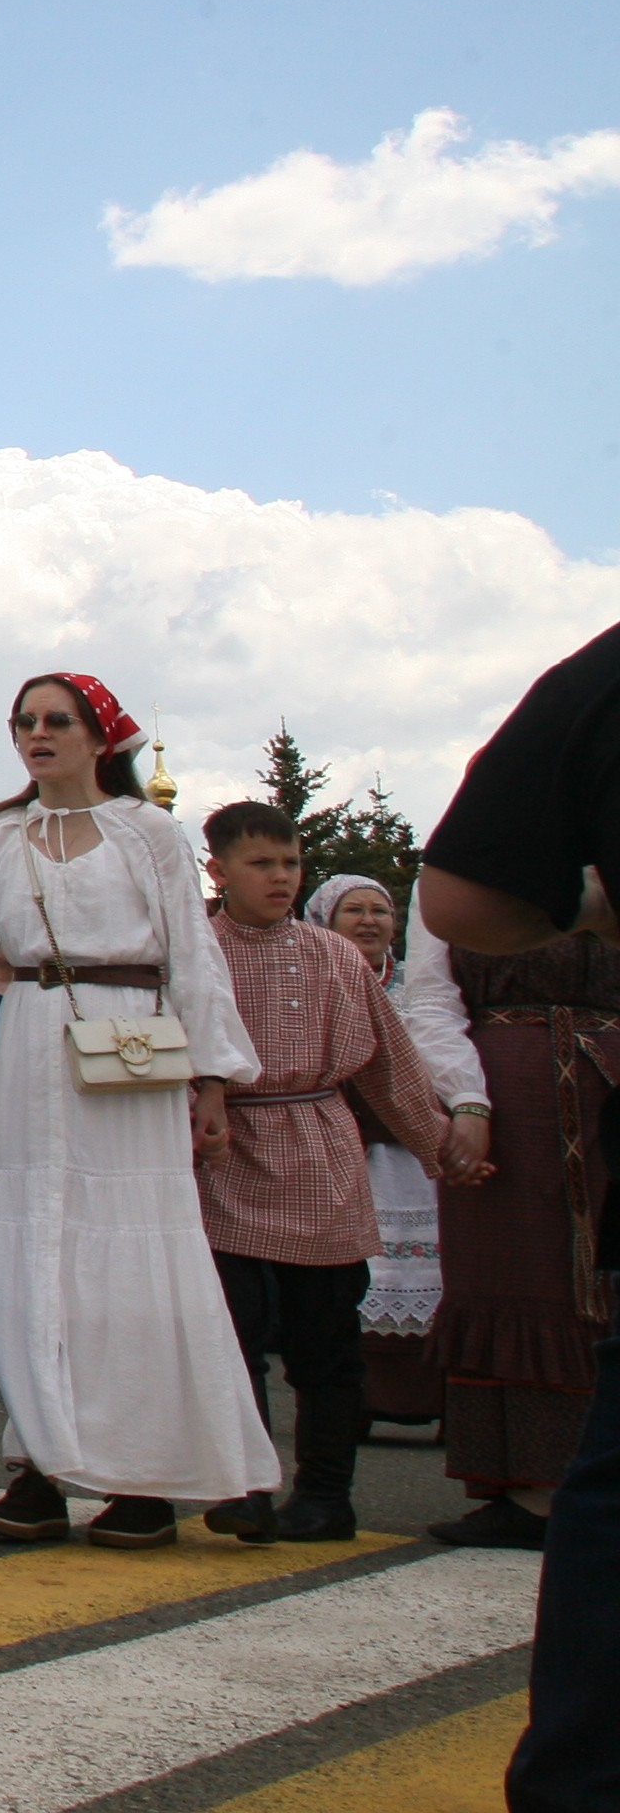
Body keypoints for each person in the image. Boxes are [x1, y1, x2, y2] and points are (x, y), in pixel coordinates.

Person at [0, 672, 274, 1550]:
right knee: (31, 1252)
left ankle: (143, 1477)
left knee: (129, 1261)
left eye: (57, 720)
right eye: (24, 722)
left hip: (130, 1048)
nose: (37, 734)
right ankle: (40, 1467)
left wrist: (214, 1078)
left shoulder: (146, 830)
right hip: (33, 1044)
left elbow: (193, 953)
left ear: (98, 736)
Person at [411, 620, 620, 1813]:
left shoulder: (599, 681)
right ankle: (513, 1475)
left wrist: (589, 904)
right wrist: (472, 1099)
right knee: (523, 1288)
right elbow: (435, 975)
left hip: (583, 1093)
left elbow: (463, 893)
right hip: (528, 1102)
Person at [191, 802, 450, 1545]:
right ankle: (244, 1487)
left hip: (319, 1151)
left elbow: (391, 1066)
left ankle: (327, 1495)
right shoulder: (195, 954)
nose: (280, 878)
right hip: (223, 1154)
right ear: (218, 871)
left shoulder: (334, 956)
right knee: (232, 1336)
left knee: (325, 1342)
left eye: (291, 864)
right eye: (261, 864)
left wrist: (441, 1150)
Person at [308, 872, 474, 1426]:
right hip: (350, 1154)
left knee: (432, 1274)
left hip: (417, 1158)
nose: (369, 921)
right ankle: (358, 1401)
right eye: (354, 910)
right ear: (326, 922)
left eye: (380, 911)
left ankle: (434, 1400)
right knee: (365, 1277)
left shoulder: (417, 991)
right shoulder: (315, 982)